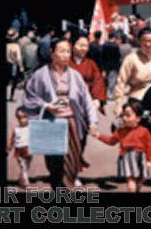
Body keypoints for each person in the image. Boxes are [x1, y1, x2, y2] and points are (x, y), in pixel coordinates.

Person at [24, 37, 98, 189]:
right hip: (51, 121)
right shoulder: (40, 75)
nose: (65, 55)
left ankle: (67, 183)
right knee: (54, 161)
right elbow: (29, 97)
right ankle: (58, 184)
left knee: (72, 157)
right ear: (52, 53)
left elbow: (86, 100)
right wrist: (46, 105)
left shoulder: (75, 76)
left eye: (68, 52)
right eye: (61, 51)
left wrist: (93, 122)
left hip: (72, 121)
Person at [113, 27, 151, 192]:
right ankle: (136, 174)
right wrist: (118, 103)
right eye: (145, 41)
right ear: (139, 41)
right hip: (138, 102)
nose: (148, 44)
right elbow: (121, 81)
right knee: (138, 138)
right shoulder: (131, 58)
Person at [91, 99, 151, 193]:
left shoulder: (144, 131)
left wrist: (149, 160)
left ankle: (136, 188)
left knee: (142, 178)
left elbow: (150, 146)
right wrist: (98, 136)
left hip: (141, 157)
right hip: (126, 157)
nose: (124, 118)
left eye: (128, 115)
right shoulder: (120, 131)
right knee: (131, 181)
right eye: (123, 115)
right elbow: (111, 141)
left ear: (138, 118)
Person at [69, 33, 107, 118]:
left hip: (87, 101)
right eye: (81, 45)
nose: (84, 49)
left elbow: (98, 80)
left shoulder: (91, 64)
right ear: (72, 45)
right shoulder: (66, 63)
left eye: (86, 46)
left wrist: (97, 99)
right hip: (68, 102)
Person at [6, 107, 32, 188]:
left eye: (24, 117)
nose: (22, 120)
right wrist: (8, 148)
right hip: (19, 151)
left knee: (27, 166)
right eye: (19, 117)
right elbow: (11, 140)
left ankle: (21, 179)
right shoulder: (16, 129)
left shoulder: (31, 127)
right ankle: (26, 184)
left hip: (29, 151)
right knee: (23, 167)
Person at [102, 31, 122, 99]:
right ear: (114, 37)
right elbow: (118, 57)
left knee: (106, 81)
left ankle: (106, 94)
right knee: (112, 81)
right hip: (113, 66)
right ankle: (110, 95)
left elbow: (102, 56)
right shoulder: (116, 46)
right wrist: (119, 67)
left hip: (105, 65)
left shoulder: (104, 45)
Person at [6, 28, 24, 102]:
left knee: (7, 81)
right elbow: (18, 58)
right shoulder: (16, 46)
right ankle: (11, 96)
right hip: (14, 65)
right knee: (14, 81)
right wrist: (21, 66)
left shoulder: (7, 45)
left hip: (7, 64)